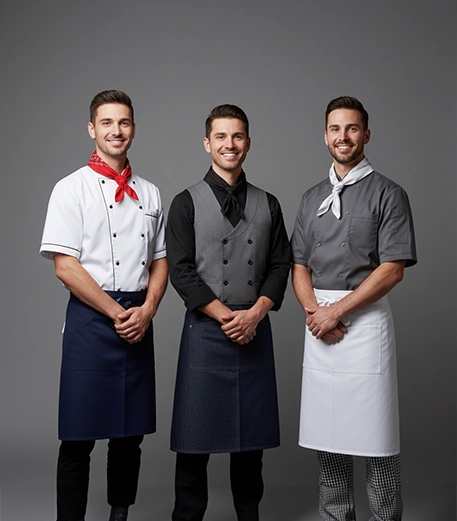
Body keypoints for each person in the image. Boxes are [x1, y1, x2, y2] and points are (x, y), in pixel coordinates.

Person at [40, 90, 167, 521]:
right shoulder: (70, 188)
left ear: (134, 129)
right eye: (107, 123)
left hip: (139, 319)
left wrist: (147, 310)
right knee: (77, 438)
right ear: (92, 129)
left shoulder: (150, 193)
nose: (117, 130)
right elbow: (65, 267)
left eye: (124, 122)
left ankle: (119, 514)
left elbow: (160, 261)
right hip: (92, 321)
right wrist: (116, 313)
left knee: (130, 436)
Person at [291, 96, 417, 521]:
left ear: (366, 134)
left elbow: (392, 269)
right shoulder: (310, 198)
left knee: (377, 442)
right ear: (325, 136)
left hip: (365, 325)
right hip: (319, 325)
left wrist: (336, 311)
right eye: (335, 129)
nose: (343, 137)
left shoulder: (389, 193)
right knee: (328, 442)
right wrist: (315, 313)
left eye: (351, 128)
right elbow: (299, 265)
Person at [166, 104, 290, 521]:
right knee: (193, 441)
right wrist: (226, 317)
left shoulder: (269, 203)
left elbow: (280, 266)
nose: (229, 144)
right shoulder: (184, 203)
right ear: (207, 143)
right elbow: (181, 271)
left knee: (250, 446)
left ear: (248, 143)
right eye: (221, 136)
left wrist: (255, 314)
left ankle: (248, 515)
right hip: (205, 331)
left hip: (254, 328)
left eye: (237, 136)